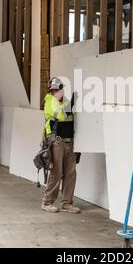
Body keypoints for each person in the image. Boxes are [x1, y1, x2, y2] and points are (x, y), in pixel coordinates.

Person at [41, 77, 81, 214]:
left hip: (69, 142)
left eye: (57, 90)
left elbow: (73, 119)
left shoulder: (66, 102)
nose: (55, 92)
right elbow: (62, 115)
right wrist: (72, 104)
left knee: (70, 173)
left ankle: (67, 203)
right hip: (56, 142)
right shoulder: (50, 101)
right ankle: (47, 202)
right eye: (53, 90)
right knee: (56, 173)